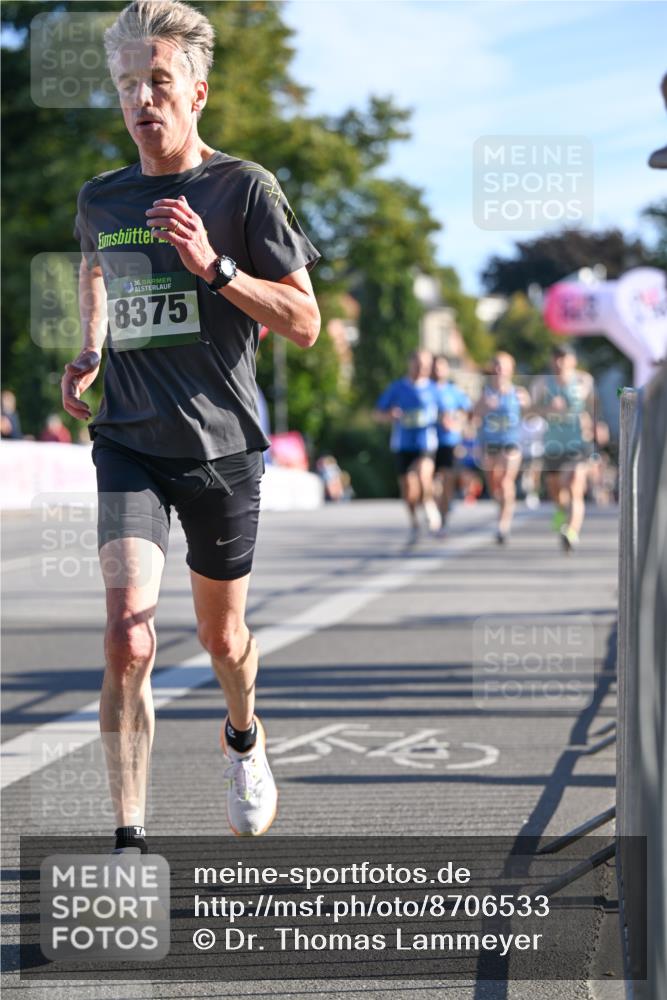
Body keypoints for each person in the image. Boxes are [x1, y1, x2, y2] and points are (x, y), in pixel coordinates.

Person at [61, 0, 320, 849]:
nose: (142, 98)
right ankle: (129, 836)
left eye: (158, 81)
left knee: (222, 637)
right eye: (127, 83)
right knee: (126, 638)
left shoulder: (243, 188)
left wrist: (214, 266)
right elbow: (98, 272)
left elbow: (304, 322)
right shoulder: (102, 196)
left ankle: (243, 735)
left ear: (197, 92)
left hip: (221, 450)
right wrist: (89, 348)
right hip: (130, 441)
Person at [530, 345, 596, 552]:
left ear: (573, 361)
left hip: (578, 443)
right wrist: (547, 409)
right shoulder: (542, 383)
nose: (559, 363)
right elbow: (528, 412)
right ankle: (560, 514)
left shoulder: (584, 381)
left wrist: (595, 424)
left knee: (575, 485)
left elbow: (595, 406)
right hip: (553, 444)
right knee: (556, 491)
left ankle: (571, 532)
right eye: (556, 358)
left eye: (563, 358)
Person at [374, 349, 440, 544]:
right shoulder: (397, 388)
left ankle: (428, 504)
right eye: (418, 363)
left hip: (426, 441)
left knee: (424, 474)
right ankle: (414, 523)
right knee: (409, 490)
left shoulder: (434, 389)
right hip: (402, 442)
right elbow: (377, 413)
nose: (422, 368)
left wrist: (450, 421)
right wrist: (390, 416)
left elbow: (453, 412)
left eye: (426, 364)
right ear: (410, 363)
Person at [473, 352, 528, 544]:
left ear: (511, 370)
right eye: (496, 366)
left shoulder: (518, 393)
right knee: (495, 486)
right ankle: (503, 509)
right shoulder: (485, 394)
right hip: (490, 443)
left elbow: (532, 413)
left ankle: (503, 526)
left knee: (505, 482)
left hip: (511, 443)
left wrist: (529, 406)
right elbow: (473, 417)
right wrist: (484, 407)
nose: (499, 370)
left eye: (503, 367)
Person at [430, 355, 471, 535]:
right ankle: (434, 508)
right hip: (427, 440)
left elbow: (468, 412)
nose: (438, 370)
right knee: (429, 482)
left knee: (446, 479)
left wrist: (455, 422)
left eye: (441, 366)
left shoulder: (453, 391)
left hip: (448, 441)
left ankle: (443, 514)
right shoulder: (425, 388)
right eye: (435, 367)